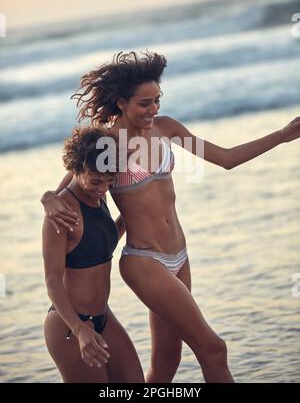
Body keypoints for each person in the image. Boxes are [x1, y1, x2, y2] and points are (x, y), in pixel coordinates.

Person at [41, 51, 300, 383]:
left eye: (157, 100)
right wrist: (48, 198)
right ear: (121, 102)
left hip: (179, 256)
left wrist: (282, 135)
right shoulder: (108, 144)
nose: (153, 110)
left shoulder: (166, 128)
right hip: (144, 260)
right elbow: (73, 184)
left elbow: (226, 158)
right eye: (144, 103)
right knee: (214, 350)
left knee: (166, 363)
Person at [42, 125, 144, 383]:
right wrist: (79, 330)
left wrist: (137, 214)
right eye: (96, 180)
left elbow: (99, 244)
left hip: (103, 317)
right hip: (69, 326)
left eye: (109, 181)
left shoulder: (98, 198)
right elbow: (52, 280)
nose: (103, 188)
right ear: (75, 169)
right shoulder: (62, 213)